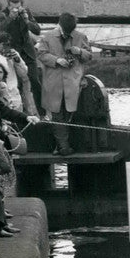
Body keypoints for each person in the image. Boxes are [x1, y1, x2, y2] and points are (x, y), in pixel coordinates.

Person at [37, 13, 92, 156]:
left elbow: (89, 56)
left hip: (73, 82)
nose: (68, 34)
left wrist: (79, 51)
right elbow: (41, 54)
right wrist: (56, 60)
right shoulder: (47, 37)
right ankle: (63, 147)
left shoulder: (81, 36)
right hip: (54, 82)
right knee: (57, 114)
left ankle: (65, 145)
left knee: (71, 114)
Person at [0, 0, 43, 113]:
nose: (15, 10)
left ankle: (41, 111)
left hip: (28, 51)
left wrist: (27, 21)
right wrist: (10, 19)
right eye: (13, 7)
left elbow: (37, 30)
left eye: (18, 7)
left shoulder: (26, 12)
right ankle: (22, 112)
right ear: (8, 6)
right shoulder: (3, 14)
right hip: (13, 51)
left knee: (35, 81)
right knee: (17, 84)